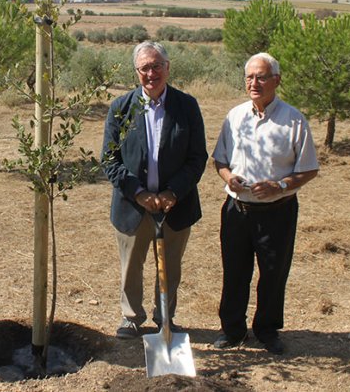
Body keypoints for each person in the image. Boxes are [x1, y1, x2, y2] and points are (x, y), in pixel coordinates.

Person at [211, 52, 319, 355]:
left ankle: (267, 330)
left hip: (277, 213)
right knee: (234, 273)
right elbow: (220, 160)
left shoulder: (293, 120)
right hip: (236, 211)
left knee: (273, 273)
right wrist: (228, 177)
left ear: (276, 80)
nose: (253, 83)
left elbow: (309, 168)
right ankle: (232, 331)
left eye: (260, 77)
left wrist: (280, 185)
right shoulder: (235, 116)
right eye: (249, 77)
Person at [101, 41, 208, 339]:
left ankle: (165, 317)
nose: (152, 73)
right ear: (137, 72)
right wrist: (138, 192)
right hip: (132, 207)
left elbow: (197, 156)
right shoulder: (121, 108)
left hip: (177, 205)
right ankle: (132, 318)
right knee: (131, 267)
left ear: (168, 68)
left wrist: (173, 192)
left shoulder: (187, 106)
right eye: (145, 68)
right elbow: (109, 158)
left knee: (170, 266)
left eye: (157, 66)